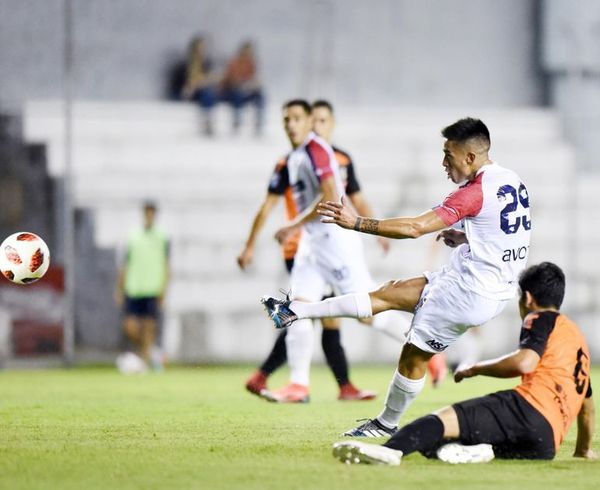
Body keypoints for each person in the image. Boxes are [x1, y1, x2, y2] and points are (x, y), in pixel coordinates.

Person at [262, 117, 532, 435]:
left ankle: (386, 424)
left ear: (469, 157)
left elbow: (415, 227)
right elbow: (509, 233)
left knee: (412, 358)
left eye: (449, 154)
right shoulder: (510, 179)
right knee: (388, 293)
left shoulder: (472, 193)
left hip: (470, 292)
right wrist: (466, 238)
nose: (444, 162)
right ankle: (296, 311)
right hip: (485, 281)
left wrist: (358, 222)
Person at [332, 262, 595, 465]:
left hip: (526, 412)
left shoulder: (540, 319)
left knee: (437, 422)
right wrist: (583, 449)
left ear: (527, 298)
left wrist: (476, 368)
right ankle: (476, 451)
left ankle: (387, 452)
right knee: (439, 442)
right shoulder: (578, 341)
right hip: (545, 444)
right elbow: (586, 407)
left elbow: (525, 363)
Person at [253, 99, 406, 403]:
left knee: (369, 309)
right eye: (286, 120)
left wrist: (292, 225)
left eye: (297, 118)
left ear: (310, 121)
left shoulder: (317, 150)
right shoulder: (296, 156)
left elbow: (330, 196)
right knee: (296, 306)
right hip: (313, 244)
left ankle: (423, 344)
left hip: (336, 242)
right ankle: (298, 386)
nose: (291, 125)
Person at [115, 201, 169, 371]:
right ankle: (153, 354)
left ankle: (144, 363)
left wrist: (164, 289)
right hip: (134, 286)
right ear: (144, 214)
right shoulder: (133, 236)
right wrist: (119, 287)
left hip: (152, 287)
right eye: (147, 213)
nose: (149, 216)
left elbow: (167, 265)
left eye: (152, 213)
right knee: (130, 327)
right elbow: (125, 263)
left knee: (148, 327)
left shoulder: (162, 237)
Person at [220, 41, 265, 135]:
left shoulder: (252, 63)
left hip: (247, 90)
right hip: (233, 91)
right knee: (237, 94)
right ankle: (237, 121)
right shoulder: (234, 62)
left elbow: (254, 79)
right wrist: (240, 83)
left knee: (260, 95)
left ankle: (259, 123)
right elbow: (230, 79)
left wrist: (253, 84)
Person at [181, 36, 220, 136]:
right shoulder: (189, 62)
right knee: (207, 92)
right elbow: (189, 81)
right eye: (200, 46)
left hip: (202, 89)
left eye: (203, 46)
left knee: (209, 92)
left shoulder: (205, 62)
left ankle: (207, 121)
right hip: (191, 91)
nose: (202, 49)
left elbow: (207, 78)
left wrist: (206, 80)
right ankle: (206, 121)